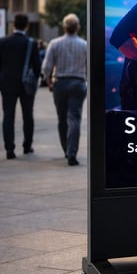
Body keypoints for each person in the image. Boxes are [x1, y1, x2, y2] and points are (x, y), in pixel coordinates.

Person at [41, 13, 88, 165]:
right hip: (78, 83)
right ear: (77, 27)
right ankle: (72, 153)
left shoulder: (54, 43)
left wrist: (49, 82)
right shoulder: (84, 45)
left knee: (62, 119)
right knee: (74, 118)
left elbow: (46, 67)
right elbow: (89, 67)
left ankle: (66, 149)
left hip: (60, 83)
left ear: (64, 27)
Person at [0, 13, 41, 159]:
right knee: (28, 115)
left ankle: (9, 149)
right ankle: (27, 146)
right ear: (27, 26)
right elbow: (37, 66)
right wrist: (35, 80)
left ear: (13, 25)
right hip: (26, 85)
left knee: (8, 116)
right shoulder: (30, 43)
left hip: (6, 84)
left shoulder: (3, 42)